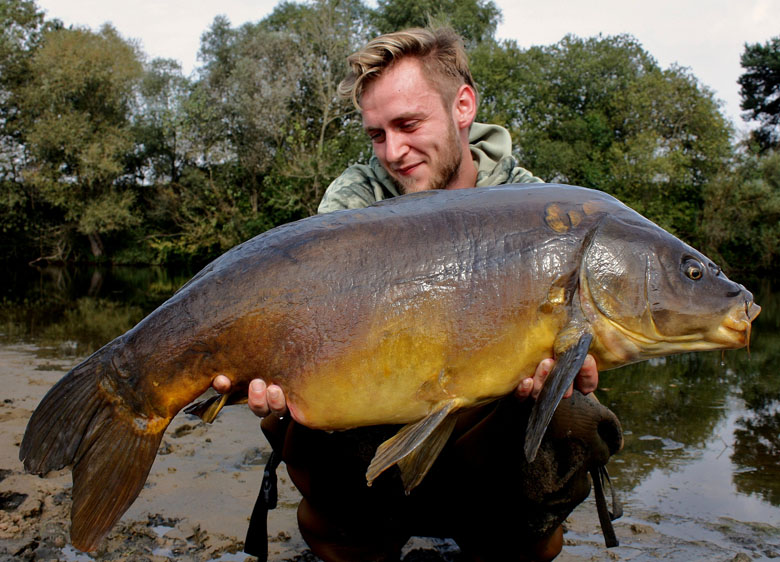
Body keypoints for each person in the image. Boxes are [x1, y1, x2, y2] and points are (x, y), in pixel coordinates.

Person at [213, 27, 621, 561]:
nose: (394, 151)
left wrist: (571, 368)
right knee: (296, 420)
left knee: (574, 417)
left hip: (484, 425)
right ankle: (355, 542)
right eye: (377, 134)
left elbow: (580, 336)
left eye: (408, 124)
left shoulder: (536, 207)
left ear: (464, 106)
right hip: (381, 403)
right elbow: (314, 322)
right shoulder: (355, 201)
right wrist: (278, 369)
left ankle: (509, 542)